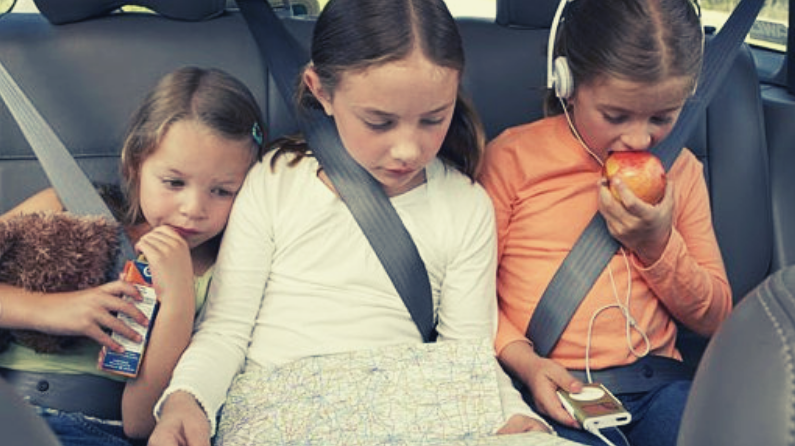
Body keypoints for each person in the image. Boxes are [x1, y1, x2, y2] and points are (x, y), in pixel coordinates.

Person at [148, 1, 551, 445]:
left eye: (434, 119)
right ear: (320, 92)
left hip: (411, 416)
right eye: (379, 122)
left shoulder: (464, 205)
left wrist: (512, 413)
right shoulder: (277, 179)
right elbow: (225, 330)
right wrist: (186, 399)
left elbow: (466, 360)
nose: (408, 150)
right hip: (279, 413)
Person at [479, 0, 732, 445]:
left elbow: (716, 317)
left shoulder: (681, 171)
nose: (639, 138)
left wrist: (657, 246)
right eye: (615, 116)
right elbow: (472, 298)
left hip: (659, 385)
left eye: (662, 117)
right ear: (566, 84)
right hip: (552, 385)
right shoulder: (512, 160)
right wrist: (526, 364)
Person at [0, 66, 264, 446]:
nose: (193, 208)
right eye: (173, 182)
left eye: (223, 191)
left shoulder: (228, 273)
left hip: (97, 431)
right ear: (134, 165)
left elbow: (140, 424)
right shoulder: (66, 207)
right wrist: (48, 309)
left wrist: (177, 303)